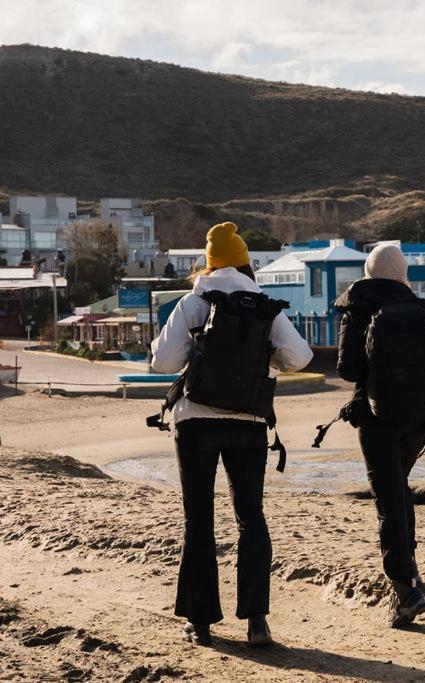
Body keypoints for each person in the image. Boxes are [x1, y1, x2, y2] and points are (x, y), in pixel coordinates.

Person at [151, 222, 313, 647]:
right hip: (249, 424)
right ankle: (256, 620)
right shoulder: (264, 305)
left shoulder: (193, 301)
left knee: (199, 519)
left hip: (196, 422)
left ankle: (200, 621)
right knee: (251, 518)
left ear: (208, 263)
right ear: (245, 263)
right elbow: (299, 356)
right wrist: (266, 357)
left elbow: (162, 363)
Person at [335, 243, 425, 628]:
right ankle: (411, 571)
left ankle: (405, 590)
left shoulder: (358, 309)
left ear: (369, 272)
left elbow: (348, 370)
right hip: (422, 417)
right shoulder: (422, 308)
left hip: (378, 419)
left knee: (388, 498)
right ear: (403, 273)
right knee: (399, 490)